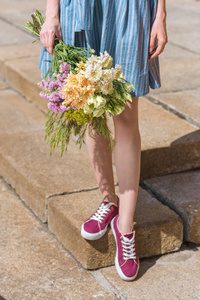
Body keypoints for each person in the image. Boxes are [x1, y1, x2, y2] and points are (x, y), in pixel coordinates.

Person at [39, 0, 167, 281]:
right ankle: (109, 201)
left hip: (129, 9)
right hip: (82, 8)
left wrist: (160, 15)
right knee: (89, 106)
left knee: (126, 116)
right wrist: (52, 14)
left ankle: (125, 227)